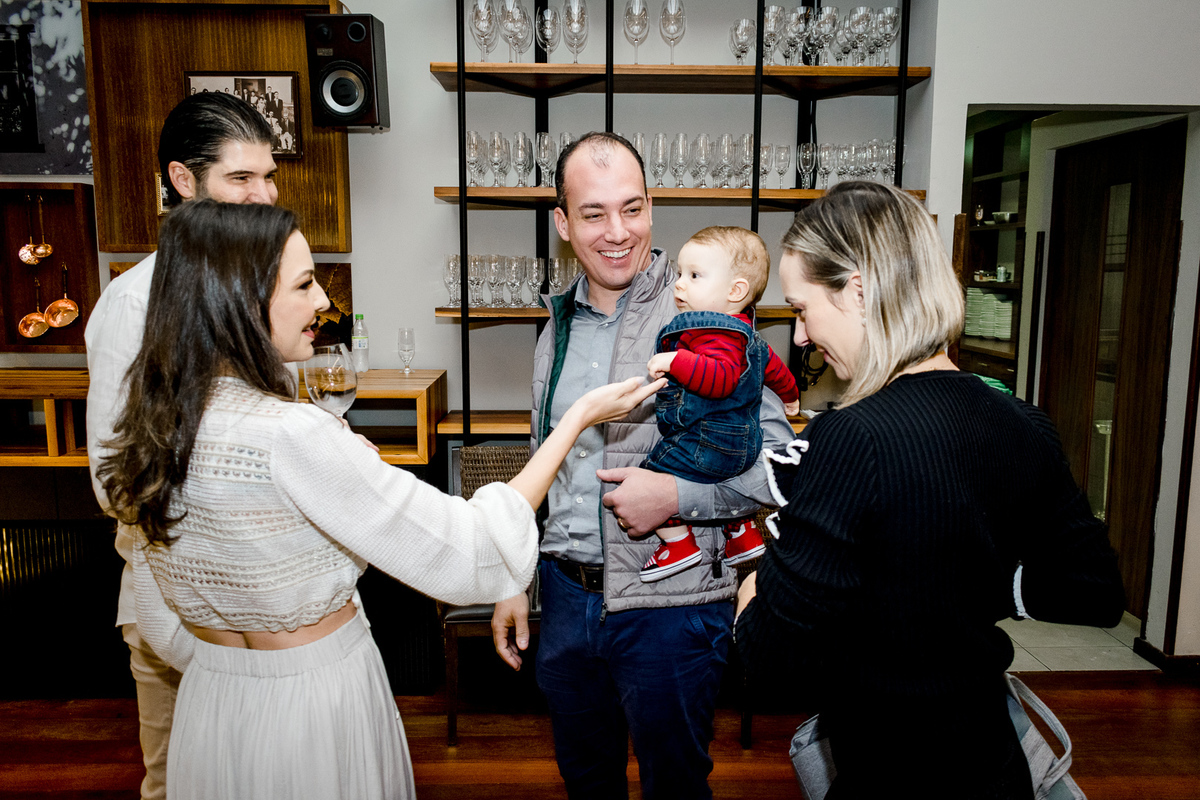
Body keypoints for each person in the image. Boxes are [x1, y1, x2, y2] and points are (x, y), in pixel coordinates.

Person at [95, 200, 663, 799]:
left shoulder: (154, 431)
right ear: (243, 302)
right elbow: (470, 551)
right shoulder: (292, 435)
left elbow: (158, 617)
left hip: (210, 707)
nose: (322, 303)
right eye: (305, 284)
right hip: (313, 708)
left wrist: (234, 670)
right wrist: (577, 419)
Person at [734, 181, 1125, 799]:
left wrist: (755, 585)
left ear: (859, 292)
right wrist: (959, 577)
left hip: (894, 771)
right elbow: (1093, 591)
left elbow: (767, 662)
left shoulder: (851, 437)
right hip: (994, 767)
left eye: (804, 309)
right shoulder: (1023, 422)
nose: (802, 337)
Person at [491, 132, 793, 799]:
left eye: (633, 208)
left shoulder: (705, 312)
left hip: (671, 607)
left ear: (652, 206)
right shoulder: (557, 324)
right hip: (565, 599)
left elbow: (777, 466)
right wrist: (512, 578)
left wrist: (676, 498)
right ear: (563, 224)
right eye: (594, 214)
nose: (618, 232)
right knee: (587, 781)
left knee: (675, 787)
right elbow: (547, 462)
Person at [84, 91, 278, 800]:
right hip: (177, 600)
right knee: (181, 781)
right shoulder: (137, 304)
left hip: (262, 602)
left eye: (268, 175)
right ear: (183, 180)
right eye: (241, 178)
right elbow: (114, 480)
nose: (263, 196)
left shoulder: (252, 294)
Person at [639, 226, 801, 582]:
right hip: (743, 446)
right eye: (680, 274)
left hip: (713, 443)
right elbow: (775, 369)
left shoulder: (714, 335)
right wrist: (790, 397)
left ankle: (678, 544)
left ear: (736, 290)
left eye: (694, 275)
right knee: (726, 476)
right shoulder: (749, 337)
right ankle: (741, 534)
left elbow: (721, 377)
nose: (679, 284)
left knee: (649, 474)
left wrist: (675, 361)